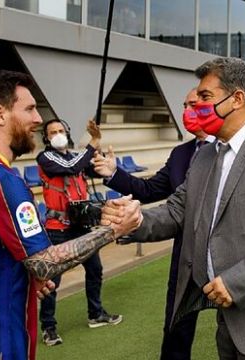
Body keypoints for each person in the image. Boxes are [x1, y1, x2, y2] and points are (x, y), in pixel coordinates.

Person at [103, 57, 245, 359]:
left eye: (206, 97)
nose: (197, 107)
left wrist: (237, 281)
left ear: (237, 99)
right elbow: (177, 211)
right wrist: (136, 220)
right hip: (229, 322)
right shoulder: (204, 156)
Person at [0, 69, 140, 360]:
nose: (38, 119)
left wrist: (27, 280)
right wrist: (113, 230)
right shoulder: (2, 181)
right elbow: (44, 264)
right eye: (30, 108)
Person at [92, 88, 214, 359]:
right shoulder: (181, 154)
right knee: (176, 332)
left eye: (194, 104)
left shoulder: (229, 149)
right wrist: (114, 173)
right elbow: (148, 190)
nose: (187, 111)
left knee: (235, 331)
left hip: (227, 256)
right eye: (184, 105)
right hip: (186, 257)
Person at [36, 118, 122, 346]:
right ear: (46, 138)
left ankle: (96, 314)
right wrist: (93, 140)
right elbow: (72, 167)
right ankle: (49, 327)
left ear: (67, 132)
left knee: (95, 270)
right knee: (52, 281)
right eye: (52, 132)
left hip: (81, 226)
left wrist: (101, 157)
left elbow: (91, 170)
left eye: (61, 130)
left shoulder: (75, 156)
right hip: (57, 229)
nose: (57, 134)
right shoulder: (45, 158)